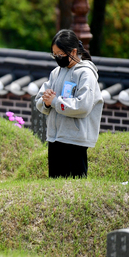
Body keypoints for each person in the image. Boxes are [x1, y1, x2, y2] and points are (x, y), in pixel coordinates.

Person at [34, 29, 103, 178]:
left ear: (73, 51)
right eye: (55, 54)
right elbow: (40, 100)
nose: (58, 58)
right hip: (55, 137)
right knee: (55, 188)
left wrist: (55, 101)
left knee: (75, 189)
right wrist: (46, 102)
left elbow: (83, 106)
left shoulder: (86, 74)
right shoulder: (56, 72)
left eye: (61, 54)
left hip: (75, 140)